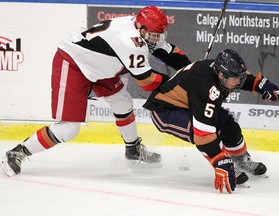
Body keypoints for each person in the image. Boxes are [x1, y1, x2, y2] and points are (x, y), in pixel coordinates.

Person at [1, 6, 191, 176]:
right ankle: (18, 152)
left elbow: (167, 51)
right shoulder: (130, 41)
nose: (157, 40)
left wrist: (193, 69)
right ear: (141, 30)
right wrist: (181, 83)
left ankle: (133, 150)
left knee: (122, 101)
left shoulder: (142, 29)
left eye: (159, 35)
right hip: (74, 62)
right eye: (154, 36)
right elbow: (147, 82)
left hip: (101, 67)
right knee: (69, 128)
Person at [143, 49, 279, 193]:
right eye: (235, 78)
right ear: (221, 75)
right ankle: (227, 163)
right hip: (165, 110)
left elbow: (243, 77)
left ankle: (240, 161)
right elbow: (202, 134)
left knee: (229, 126)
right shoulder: (206, 87)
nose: (239, 82)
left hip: (190, 104)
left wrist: (263, 85)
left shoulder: (223, 73)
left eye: (239, 77)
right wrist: (220, 161)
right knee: (197, 130)